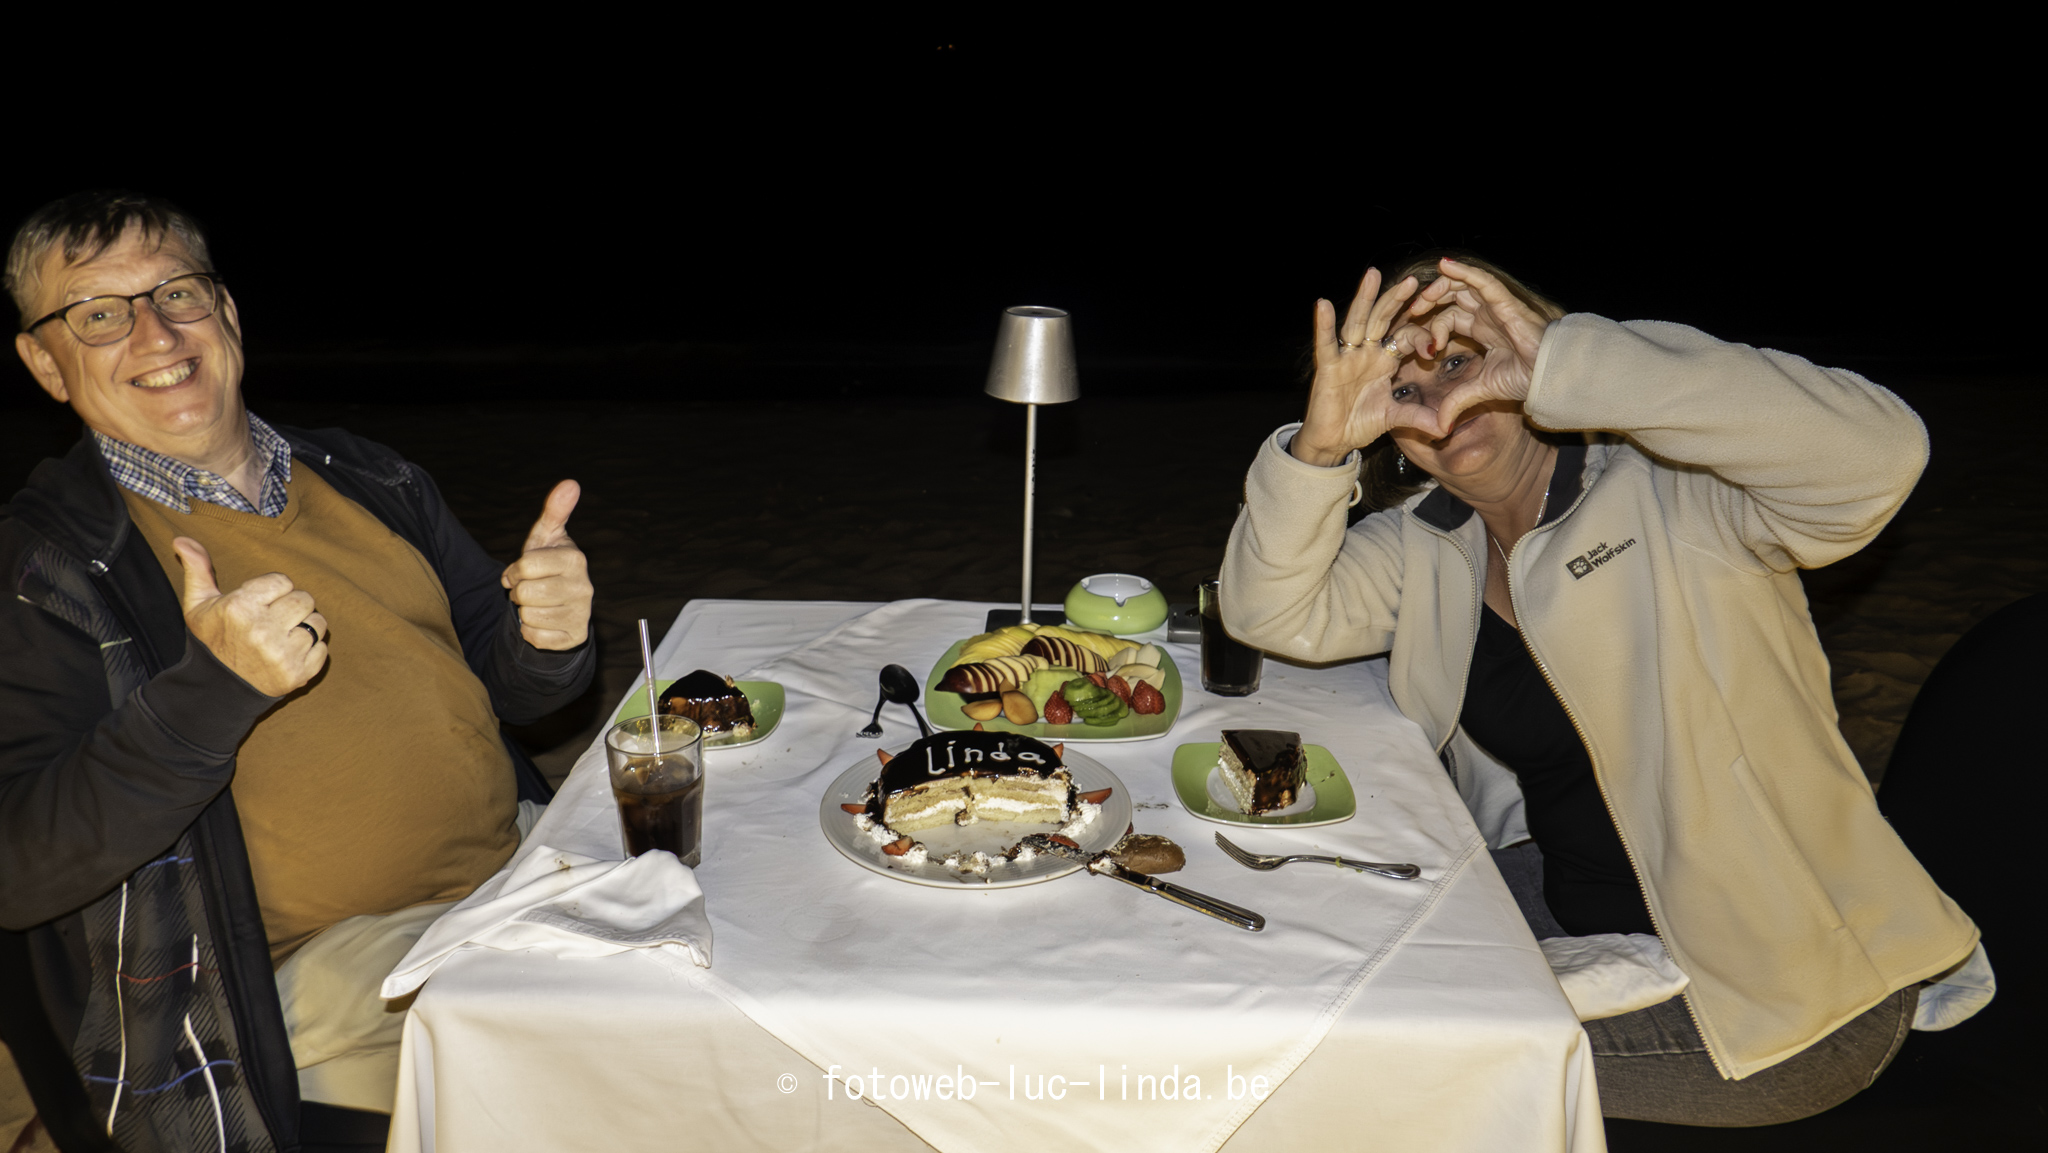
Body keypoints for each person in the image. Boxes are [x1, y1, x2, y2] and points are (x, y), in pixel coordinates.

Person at [1219, 253, 1985, 1125]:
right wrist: (1319, 452)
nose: (1442, 403)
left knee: (1384, 1069)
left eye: (1462, 362)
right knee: (1311, 948)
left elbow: (1882, 453)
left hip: (1785, 989)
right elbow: (1268, 610)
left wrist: (1571, 360)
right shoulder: (1428, 540)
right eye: (1403, 388)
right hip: (1571, 904)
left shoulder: (1681, 489)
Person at [0, 191, 596, 1153]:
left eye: (177, 293)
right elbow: (19, 864)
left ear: (227, 312)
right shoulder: (43, 568)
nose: (156, 333)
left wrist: (549, 640)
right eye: (99, 314)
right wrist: (212, 693)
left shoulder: (369, 476)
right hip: (303, 978)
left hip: (519, 869)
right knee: (633, 1063)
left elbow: (514, 687)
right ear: (44, 362)